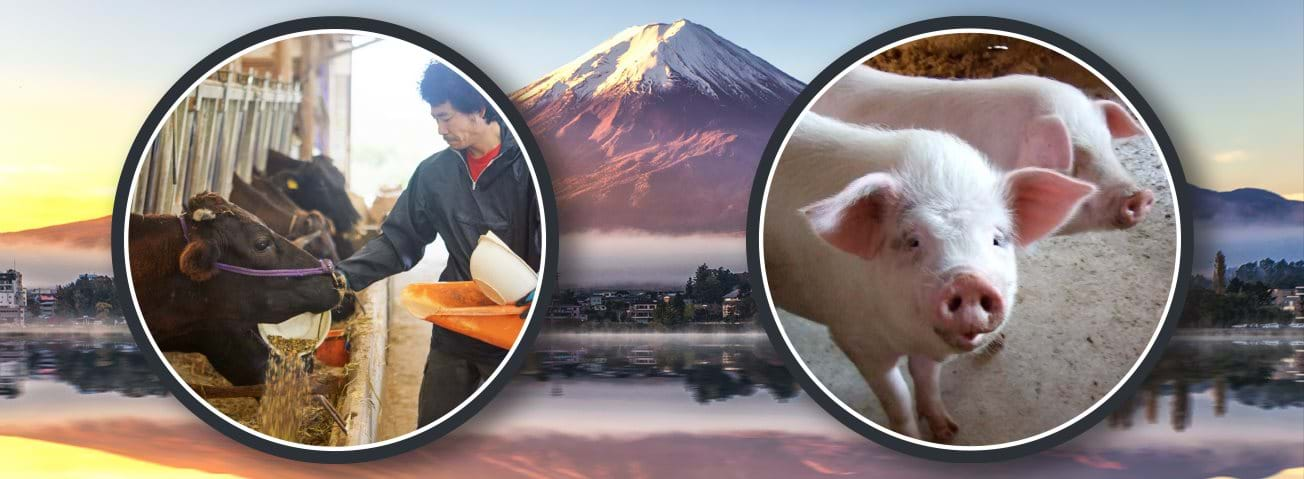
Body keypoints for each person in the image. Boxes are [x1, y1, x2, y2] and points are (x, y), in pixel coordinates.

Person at [335, 62, 540, 426]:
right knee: (435, 428)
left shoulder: (531, 168)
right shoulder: (434, 174)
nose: (441, 130)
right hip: (458, 324)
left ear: (479, 109)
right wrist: (341, 279)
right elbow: (399, 241)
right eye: (435, 119)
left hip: (519, 329)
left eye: (446, 118)